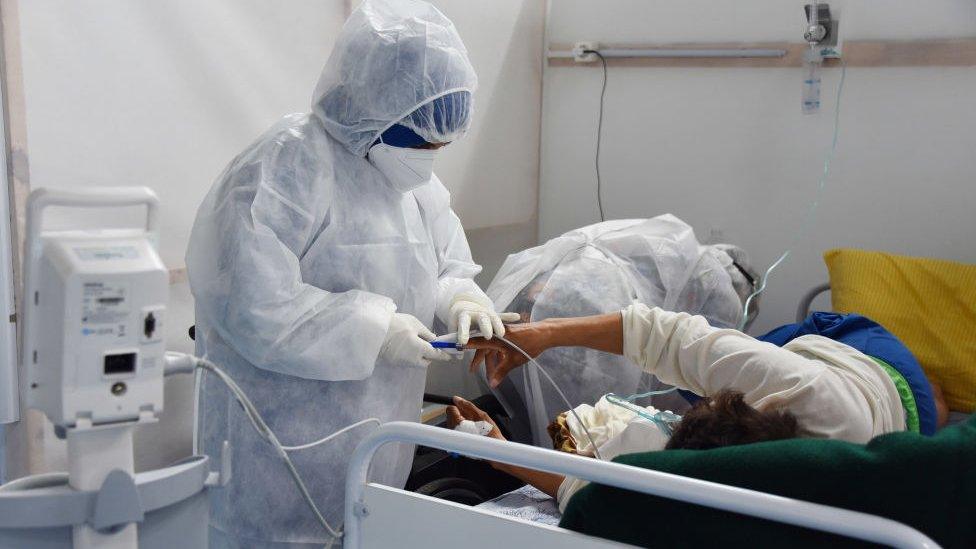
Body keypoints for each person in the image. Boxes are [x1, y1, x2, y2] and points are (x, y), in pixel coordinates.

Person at [186, 1, 510, 546]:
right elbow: (251, 303)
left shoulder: (414, 186)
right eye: (422, 135)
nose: (432, 152)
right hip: (273, 452)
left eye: (441, 141)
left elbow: (446, 261)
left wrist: (461, 298)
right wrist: (375, 330)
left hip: (374, 452)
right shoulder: (286, 166)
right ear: (377, 104)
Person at [464, 304, 948, 510]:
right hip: (839, 369)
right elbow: (665, 335)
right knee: (697, 368)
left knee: (934, 410)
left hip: (881, 387)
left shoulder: (808, 397)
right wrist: (544, 335)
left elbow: (595, 491)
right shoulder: (793, 388)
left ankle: (937, 392)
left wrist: (501, 451)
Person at [483, 216, 758, 446]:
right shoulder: (724, 290)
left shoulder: (681, 247)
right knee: (590, 428)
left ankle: (531, 466)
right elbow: (694, 365)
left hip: (538, 286)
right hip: (590, 305)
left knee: (540, 407)